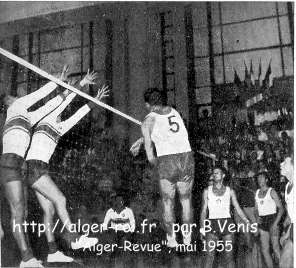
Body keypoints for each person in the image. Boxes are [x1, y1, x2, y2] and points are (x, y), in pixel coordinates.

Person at [25, 80, 109, 263]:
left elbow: (80, 113)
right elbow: (66, 99)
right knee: (60, 200)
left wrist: (95, 100)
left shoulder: (62, 127)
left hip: (38, 168)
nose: (63, 112)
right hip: (33, 166)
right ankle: (75, 239)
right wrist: (81, 84)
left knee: (49, 210)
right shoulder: (46, 118)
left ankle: (52, 251)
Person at [0, 66, 72, 268]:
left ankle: (29, 258)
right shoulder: (16, 107)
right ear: (7, 102)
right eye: (12, 96)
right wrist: (57, 81)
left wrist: (69, 90)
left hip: (21, 165)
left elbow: (49, 106)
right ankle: (26, 258)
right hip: (10, 162)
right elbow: (41, 94)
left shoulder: (27, 117)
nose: (16, 96)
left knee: (21, 214)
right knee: (18, 211)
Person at [130, 88, 195, 247]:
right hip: (186, 157)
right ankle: (187, 237)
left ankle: (172, 238)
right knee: (186, 201)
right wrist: (141, 139)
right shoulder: (174, 111)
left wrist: (156, 163)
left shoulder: (147, 121)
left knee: (168, 202)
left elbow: (151, 157)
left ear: (147, 104)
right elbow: (166, 131)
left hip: (167, 160)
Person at [200, 166, 250, 268]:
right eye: (213, 173)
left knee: (229, 257)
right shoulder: (207, 191)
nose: (215, 175)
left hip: (227, 224)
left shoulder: (230, 191)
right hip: (212, 224)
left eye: (217, 173)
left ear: (223, 175)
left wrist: (246, 221)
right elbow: (203, 211)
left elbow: (238, 208)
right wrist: (202, 228)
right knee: (209, 256)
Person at [254, 172, 283, 268]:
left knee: (275, 248)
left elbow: (281, 209)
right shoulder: (257, 192)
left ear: (266, 180)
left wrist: (275, 224)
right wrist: (257, 216)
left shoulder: (272, 191)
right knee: (264, 250)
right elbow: (256, 209)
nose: (259, 180)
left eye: (262, 178)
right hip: (262, 222)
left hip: (273, 220)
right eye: (258, 178)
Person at [279, 156, 294, 268]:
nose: (281, 164)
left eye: (285, 162)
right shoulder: (288, 185)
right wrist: (287, 230)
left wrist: (288, 232)